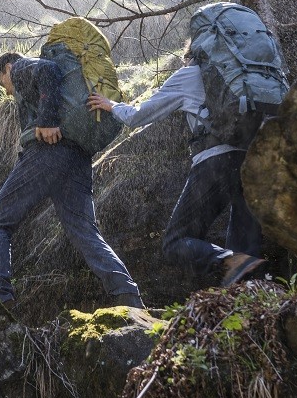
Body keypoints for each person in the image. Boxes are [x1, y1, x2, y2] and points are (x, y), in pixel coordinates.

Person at [87, 47, 269, 287]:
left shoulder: (191, 73)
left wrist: (112, 105)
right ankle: (253, 299)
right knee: (246, 253)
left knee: (176, 241)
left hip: (214, 161)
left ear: (189, 56)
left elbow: (139, 115)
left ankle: (228, 262)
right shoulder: (245, 76)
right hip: (253, 161)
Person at [0, 52, 144, 309]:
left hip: (47, 152)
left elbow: (47, 70)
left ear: (8, 68)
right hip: (77, 156)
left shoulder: (21, 67)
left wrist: (47, 121)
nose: (8, 93)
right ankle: (127, 294)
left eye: (4, 84)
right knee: (85, 232)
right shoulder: (58, 82)